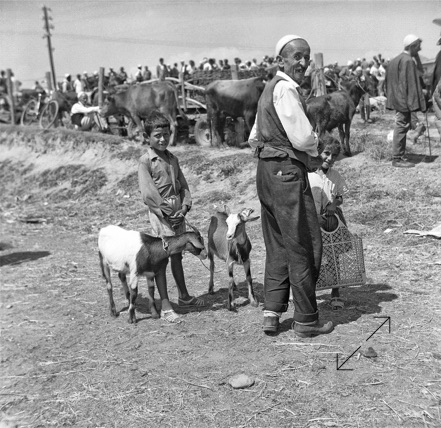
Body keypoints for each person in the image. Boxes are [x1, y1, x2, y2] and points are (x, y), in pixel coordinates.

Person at [248, 34, 334, 337]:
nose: (302, 62)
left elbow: (254, 138)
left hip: (266, 172)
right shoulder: (285, 89)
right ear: (280, 61)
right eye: (296, 56)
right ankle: (307, 320)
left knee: (278, 244)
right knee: (303, 242)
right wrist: (313, 146)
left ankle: (272, 311)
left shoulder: (267, 90)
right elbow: (303, 138)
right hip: (286, 175)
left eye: (306, 56)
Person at [138, 111, 205, 323]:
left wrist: (184, 208)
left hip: (177, 213)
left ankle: (184, 296)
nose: (162, 139)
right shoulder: (146, 161)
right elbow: (149, 193)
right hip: (162, 215)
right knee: (163, 256)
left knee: (178, 254)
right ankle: (166, 305)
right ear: (147, 137)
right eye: (157, 135)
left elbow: (183, 186)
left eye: (166, 134)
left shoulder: (172, 159)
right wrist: (167, 214)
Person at [308, 137, 348, 310]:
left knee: (333, 253)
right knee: (310, 255)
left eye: (334, 155)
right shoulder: (308, 174)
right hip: (311, 219)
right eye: (326, 153)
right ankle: (308, 293)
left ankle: (335, 291)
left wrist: (333, 204)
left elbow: (339, 196)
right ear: (318, 152)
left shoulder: (335, 176)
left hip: (330, 219)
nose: (330, 158)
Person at [385, 34, 427, 167]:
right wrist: (414, 103)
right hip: (404, 100)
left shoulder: (395, 60)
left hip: (396, 98)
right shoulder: (408, 61)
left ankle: (399, 155)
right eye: (418, 47)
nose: (419, 50)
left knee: (401, 125)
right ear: (412, 46)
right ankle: (397, 158)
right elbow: (410, 83)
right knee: (401, 126)